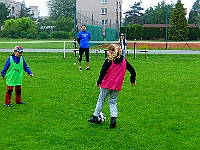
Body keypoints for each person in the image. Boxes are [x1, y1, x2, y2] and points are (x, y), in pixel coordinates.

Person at [88, 44, 136, 128]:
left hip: (106, 84)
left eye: (110, 50)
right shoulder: (124, 60)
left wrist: (98, 82)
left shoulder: (109, 60)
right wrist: (132, 80)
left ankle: (95, 116)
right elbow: (133, 71)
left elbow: (103, 71)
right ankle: (113, 118)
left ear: (113, 51)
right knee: (112, 101)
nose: (109, 52)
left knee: (101, 100)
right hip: (117, 85)